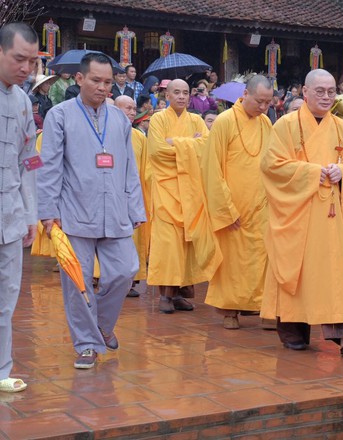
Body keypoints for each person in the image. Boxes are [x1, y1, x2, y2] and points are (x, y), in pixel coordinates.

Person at [39, 53, 146, 369]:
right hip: (73, 213)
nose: (102, 87)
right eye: (96, 80)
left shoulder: (118, 119)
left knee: (126, 270)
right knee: (77, 282)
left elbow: (129, 167)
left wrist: (135, 207)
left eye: (108, 82)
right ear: (79, 79)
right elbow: (49, 168)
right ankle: (86, 344)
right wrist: (48, 212)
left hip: (114, 211)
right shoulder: (59, 116)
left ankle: (99, 326)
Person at [260, 69, 343, 355]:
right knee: (296, 270)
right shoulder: (286, 125)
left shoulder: (340, 126)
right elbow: (272, 166)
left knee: (333, 272)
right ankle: (293, 328)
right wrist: (314, 173)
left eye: (331, 91)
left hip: (330, 214)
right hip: (298, 213)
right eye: (320, 91)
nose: (326, 97)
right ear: (305, 92)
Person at [202, 75, 273, 329]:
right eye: (259, 101)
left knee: (261, 258)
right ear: (245, 94)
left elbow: (272, 163)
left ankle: (262, 307)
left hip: (261, 205)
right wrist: (225, 208)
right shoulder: (224, 121)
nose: (263, 107)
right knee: (232, 261)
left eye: (268, 102)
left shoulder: (266, 122)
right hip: (233, 207)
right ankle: (229, 311)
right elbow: (212, 167)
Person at [147, 79, 220, 313]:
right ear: (167, 95)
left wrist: (175, 143)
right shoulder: (158, 119)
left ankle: (180, 293)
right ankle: (165, 295)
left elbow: (206, 149)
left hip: (190, 189)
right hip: (166, 188)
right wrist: (191, 143)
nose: (181, 96)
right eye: (176, 92)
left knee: (187, 243)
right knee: (168, 244)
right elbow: (158, 152)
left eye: (185, 93)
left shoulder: (196, 120)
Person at [0, 22, 39, 393]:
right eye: (19, 59)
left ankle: (1, 371)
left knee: (6, 296)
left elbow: (30, 160)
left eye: (32, 61)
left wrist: (31, 214)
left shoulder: (24, 101)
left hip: (10, 214)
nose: (26, 68)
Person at [114, 96, 151, 298]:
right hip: (111, 196)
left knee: (132, 240)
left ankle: (130, 280)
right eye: (126, 108)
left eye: (133, 108)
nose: (131, 112)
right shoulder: (105, 133)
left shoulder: (139, 137)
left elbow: (146, 169)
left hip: (132, 197)